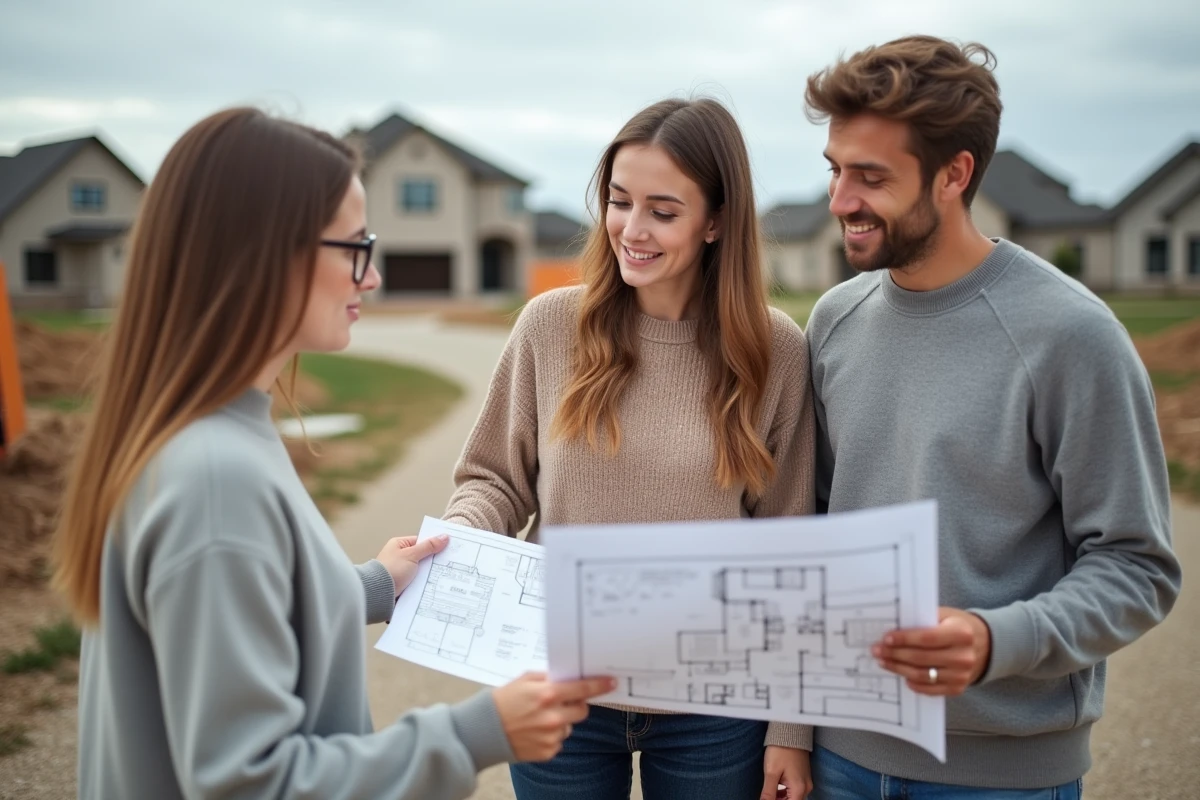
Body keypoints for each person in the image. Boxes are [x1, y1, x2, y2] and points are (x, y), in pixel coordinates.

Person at [53, 107, 614, 800]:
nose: (371, 277)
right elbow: (249, 782)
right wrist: (477, 732)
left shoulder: (207, 434)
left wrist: (374, 584)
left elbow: (251, 614)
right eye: (355, 247)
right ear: (264, 255)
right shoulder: (213, 479)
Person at [802, 35, 1182, 798]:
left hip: (1001, 775)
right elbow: (805, 527)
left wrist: (993, 640)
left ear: (955, 174)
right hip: (839, 756)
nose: (841, 200)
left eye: (870, 177)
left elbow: (1138, 567)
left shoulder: (1071, 335)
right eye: (836, 170)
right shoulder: (832, 321)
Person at [441, 97, 816, 800]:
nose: (631, 230)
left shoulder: (775, 350)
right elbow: (495, 479)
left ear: (717, 221)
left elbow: (789, 548)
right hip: (558, 689)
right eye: (618, 202)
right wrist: (461, 537)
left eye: (662, 211)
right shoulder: (550, 325)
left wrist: (791, 728)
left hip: (716, 705)